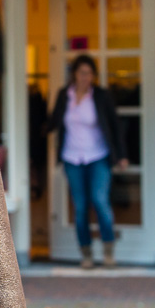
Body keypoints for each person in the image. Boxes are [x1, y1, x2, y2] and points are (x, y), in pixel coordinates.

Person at [45, 54, 129, 268]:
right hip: (72, 158)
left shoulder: (101, 96)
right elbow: (54, 121)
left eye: (90, 73)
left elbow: (115, 125)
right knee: (80, 207)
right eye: (82, 73)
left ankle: (108, 250)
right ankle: (86, 253)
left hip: (98, 156)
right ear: (75, 74)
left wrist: (121, 155)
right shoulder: (65, 95)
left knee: (100, 201)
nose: (86, 77)